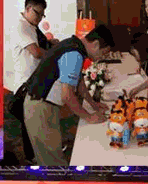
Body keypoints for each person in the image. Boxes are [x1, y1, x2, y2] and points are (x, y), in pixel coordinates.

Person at [23, 25, 115, 165]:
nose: (101, 57)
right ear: (96, 44)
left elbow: (79, 81)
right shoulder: (74, 54)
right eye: (104, 53)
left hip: (42, 104)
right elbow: (67, 95)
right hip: (40, 107)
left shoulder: (73, 45)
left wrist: (93, 104)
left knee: (52, 152)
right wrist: (89, 117)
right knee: (52, 161)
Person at [5, 0, 57, 164]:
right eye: (37, 13)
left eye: (42, 15)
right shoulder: (20, 26)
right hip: (26, 83)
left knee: (35, 120)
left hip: (36, 81)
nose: (40, 18)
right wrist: (54, 53)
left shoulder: (31, 26)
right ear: (28, 9)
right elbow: (35, 52)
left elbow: (40, 46)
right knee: (30, 122)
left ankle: (38, 153)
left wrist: (51, 44)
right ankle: (33, 157)